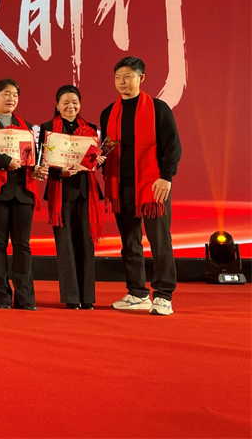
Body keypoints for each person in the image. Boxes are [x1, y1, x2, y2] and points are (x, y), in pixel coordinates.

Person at [101, 57, 181, 316]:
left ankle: (164, 295)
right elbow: (107, 148)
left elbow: (172, 146)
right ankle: (137, 292)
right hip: (121, 185)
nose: (121, 82)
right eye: (117, 77)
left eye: (127, 76)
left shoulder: (158, 109)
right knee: (129, 242)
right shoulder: (108, 113)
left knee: (160, 241)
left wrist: (166, 177)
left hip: (153, 185)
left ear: (141, 78)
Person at [0, 79, 45, 310]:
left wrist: (38, 169)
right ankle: (1, 297)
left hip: (23, 191)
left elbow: (31, 157)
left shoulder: (26, 126)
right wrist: (6, 161)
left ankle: (25, 298)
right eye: (6, 94)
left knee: (23, 245)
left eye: (15, 95)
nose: (11, 98)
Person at [39, 85, 105, 310]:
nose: (71, 107)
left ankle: (87, 297)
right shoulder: (47, 129)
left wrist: (97, 161)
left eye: (75, 102)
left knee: (86, 244)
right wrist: (61, 173)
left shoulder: (91, 128)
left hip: (86, 191)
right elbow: (42, 161)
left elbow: (91, 162)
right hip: (61, 192)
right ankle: (71, 297)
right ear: (57, 105)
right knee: (65, 245)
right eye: (65, 103)